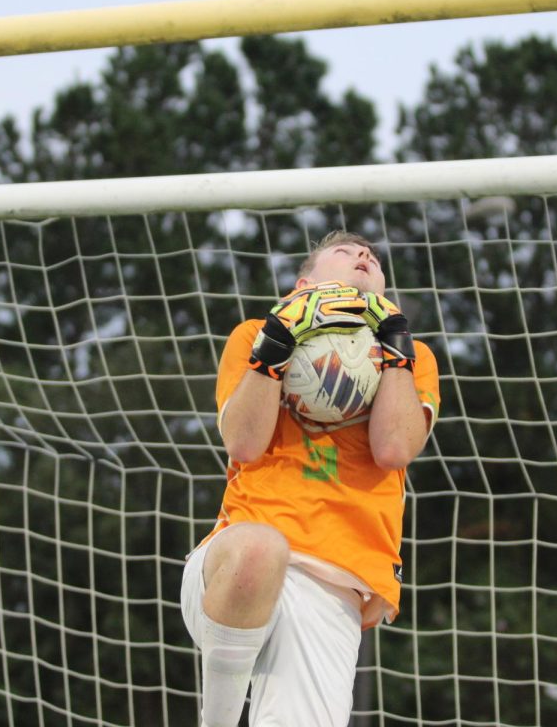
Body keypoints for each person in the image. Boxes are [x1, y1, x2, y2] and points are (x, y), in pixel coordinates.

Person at [180, 230, 440, 726]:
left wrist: (397, 354)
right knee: (261, 549)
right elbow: (243, 444)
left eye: (373, 257)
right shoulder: (254, 334)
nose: (364, 256)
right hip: (233, 571)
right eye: (344, 253)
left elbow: (393, 449)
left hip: (336, 586)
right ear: (302, 286)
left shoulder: (414, 357)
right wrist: (278, 343)